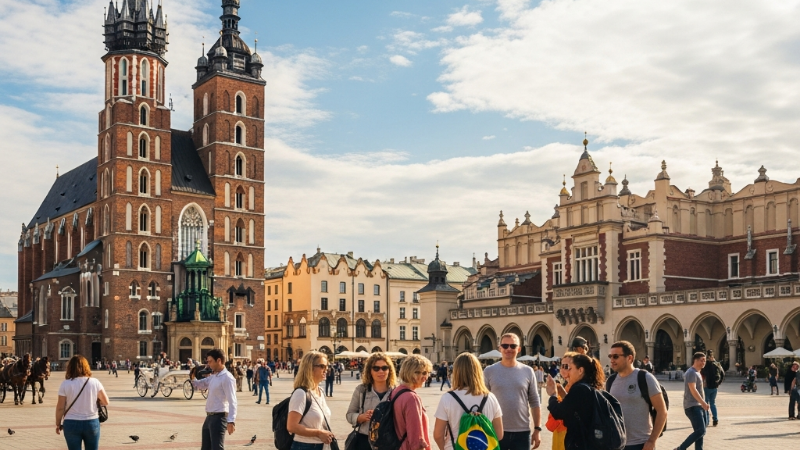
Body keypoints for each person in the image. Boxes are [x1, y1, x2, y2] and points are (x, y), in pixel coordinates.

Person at [434, 353, 504, 450]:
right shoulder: (491, 397)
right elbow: (499, 435)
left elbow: (438, 435)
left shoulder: (447, 398)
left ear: (456, 372)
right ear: (478, 371)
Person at [484, 333, 542, 450]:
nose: (509, 349)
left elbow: (535, 402)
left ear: (519, 349)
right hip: (495, 429)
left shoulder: (528, 371)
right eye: (505, 346)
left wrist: (537, 429)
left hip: (522, 431)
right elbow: (483, 400)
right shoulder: (489, 371)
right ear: (500, 348)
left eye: (513, 346)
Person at [607, 341, 667, 450]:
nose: (612, 360)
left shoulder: (645, 378)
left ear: (630, 358)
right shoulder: (610, 381)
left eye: (616, 356)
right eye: (610, 356)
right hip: (617, 443)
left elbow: (662, 411)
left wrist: (652, 441)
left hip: (641, 444)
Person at [545, 354, 605, 450]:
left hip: (579, 443)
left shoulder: (579, 388)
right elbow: (573, 407)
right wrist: (563, 394)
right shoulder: (589, 386)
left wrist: (553, 394)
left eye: (570, 368)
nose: (568, 371)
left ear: (580, 370)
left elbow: (559, 412)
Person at [55, 355, 110, 450]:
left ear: (70, 368)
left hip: (71, 422)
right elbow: (106, 402)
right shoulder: (95, 382)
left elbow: (60, 407)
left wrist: (58, 423)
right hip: (91, 422)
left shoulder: (65, 384)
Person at [346, 352, 397, 450]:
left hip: (388, 442)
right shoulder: (361, 390)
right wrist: (360, 417)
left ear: (389, 370)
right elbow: (349, 414)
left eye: (384, 368)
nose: (381, 371)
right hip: (364, 441)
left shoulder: (395, 392)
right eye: (376, 368)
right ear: (370, 371)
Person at [286, 351, 335, 450]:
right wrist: (318, 433)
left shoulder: (320, 391)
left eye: (327, 366)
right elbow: (291, 426)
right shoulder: (300, 394)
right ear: (310, 368)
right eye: (322, 366)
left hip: (321, 445)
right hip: (304, 446)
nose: (326, 370)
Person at [190, 349, 238, 450]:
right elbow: (202, 384)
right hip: (209, 417)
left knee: (217, 448)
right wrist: (192, 377)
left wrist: (231, 421)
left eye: (210, 361)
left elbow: (232, 401)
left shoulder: (227, 378)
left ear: (219, 361)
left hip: (219, 418)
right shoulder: (214, 376)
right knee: (205, 448)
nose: (208, 364)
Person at [392, 354, 433, 450]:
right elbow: (416, 439)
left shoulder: (396, 391)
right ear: (411, 373)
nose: (426, 377)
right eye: (423, 373)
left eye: (427, 373)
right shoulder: (412, 398)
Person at [676, 352, 709, 450]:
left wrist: (703, 404)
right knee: (701, 430)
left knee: (700, 432)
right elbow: (693, 389)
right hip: (692, 406)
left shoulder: (697, 372)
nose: (703, 363)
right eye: (701, 360)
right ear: (695, 360)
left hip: (698, 405)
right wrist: (703, 403)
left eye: (705, 361)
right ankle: (680, 448)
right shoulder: (691, 372)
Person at [545, 353, 575, 450]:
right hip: (560, 432)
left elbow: (569, 410)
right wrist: (561, 392)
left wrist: (553, 395)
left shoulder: (580, 387)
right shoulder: (568, 384)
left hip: (569, 435)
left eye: (567, 366)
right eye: (561, 366)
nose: (562, 370)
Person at [700, 350, 724, 427]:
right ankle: (715, 419)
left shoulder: (706, 365)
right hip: (714, 387)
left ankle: (706, 421)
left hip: (706, 386)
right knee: (713, 403)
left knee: (705, 403)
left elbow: (702, 373)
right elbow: (723, 374)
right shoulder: (717, 364)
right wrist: (718, 383)